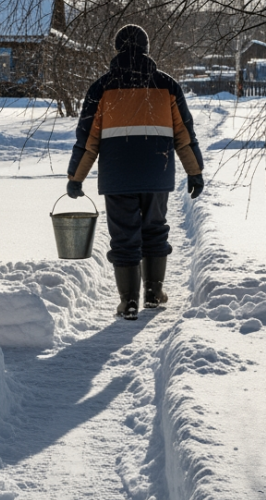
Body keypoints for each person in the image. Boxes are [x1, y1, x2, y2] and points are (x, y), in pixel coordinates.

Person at [67, 25, 205, 320]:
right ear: (147, 48)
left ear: (117, 49)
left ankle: (128, 302)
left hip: (118, 177)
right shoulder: (167, 85)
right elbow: (184, 133)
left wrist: (76, 178)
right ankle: (154, 294)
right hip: (157, 174)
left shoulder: (101, 88)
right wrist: (194, 172)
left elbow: (87, 140)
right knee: (155, 230)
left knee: (125, 237)